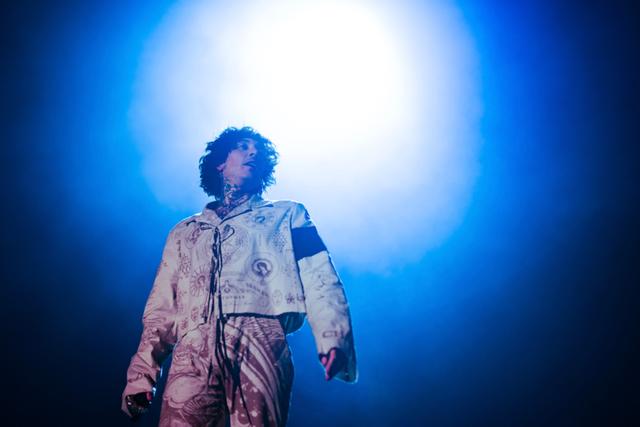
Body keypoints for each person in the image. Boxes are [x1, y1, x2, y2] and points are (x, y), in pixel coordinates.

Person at [122, 126, 357, 426]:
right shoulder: (185, 233)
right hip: (193, 345)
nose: (253, 152)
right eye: (242, 147)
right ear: (220, 162)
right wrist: (141, 376)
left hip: (260, 337)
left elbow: (319, 275)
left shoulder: (288, 216)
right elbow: (161, 308)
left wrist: (333, 336)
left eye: (257, 150)